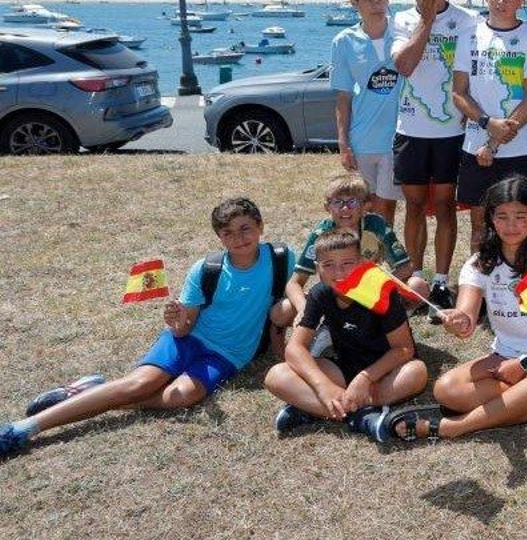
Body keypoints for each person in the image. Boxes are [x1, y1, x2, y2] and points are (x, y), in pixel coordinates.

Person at [1, 198, 295, 458]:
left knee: (180, 397)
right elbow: (183, 329)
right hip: (190, 339)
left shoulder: (281, 257)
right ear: (219, 237)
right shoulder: (207, 269)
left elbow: (288, 299)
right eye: (227, 233)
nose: (238, 238)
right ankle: (23, 428)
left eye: (245, 228)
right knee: (140, 385)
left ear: (260, 226)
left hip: (229, 354)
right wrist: (176, 322)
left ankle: (90, 393)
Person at [380, 176, 527, 442]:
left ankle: (452, 427)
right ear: (490, 218)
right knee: (446, 390)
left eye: (520, 217)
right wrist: (457, 321)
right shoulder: (479, 263)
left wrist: (524, 363)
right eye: (502, 216)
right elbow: (465, 317)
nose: (511, 226)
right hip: (504, 357)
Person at [266, 230, 428, 437]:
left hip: (386, 372)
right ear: (317, 268)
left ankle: (314, 408)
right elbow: (295, 348)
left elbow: (404, 349)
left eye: (347, 263)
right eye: (328, 265)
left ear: (361, 263)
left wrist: (364, 378)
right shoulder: (319, 293)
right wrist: (323, 387)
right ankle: (359, 416)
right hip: (343, 370)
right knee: (276, 375)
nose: (338, 272)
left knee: (416, 372)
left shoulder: (381, 292)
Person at [392, 0, 476, 313]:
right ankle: (416, 280)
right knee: (413, 205)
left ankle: (441, 281)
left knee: (444, 205)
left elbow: (474, 73)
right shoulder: (401, 19)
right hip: (411, 127)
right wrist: (426, 21)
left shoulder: (466, 21)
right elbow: (405, 66)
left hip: (451, 130)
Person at [451, 0, 527, 247]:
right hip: (475, 144)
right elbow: (458, 92)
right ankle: (479, 274)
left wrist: (494, 142)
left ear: (521, 0)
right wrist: (487, 123)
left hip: (520, 149)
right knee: (480, 225)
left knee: (523, 225)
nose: (501, 2)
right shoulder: (468, 36)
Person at [284, 173, 429, 318]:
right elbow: (293, 283)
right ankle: (329, 323)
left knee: (418, 286)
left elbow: (405, 267)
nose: (345, 208)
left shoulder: (376, 225)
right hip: (335, 293)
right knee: (282, 311)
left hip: (370, 289)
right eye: (338, 202)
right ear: (327, 207)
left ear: (365, 206)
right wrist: (303, 309)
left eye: (352, 202)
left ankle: (394, 319)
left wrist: (377, 284)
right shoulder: (321, 233)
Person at [331, 0, 403, 224]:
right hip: (362, 139)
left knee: (386, 210)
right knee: (364, 208)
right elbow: (343, 97)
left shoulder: (403, 33)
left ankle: (383, 250)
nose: (377, 5)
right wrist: (343, 143)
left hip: (397, 139)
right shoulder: (344, 41)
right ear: (354, 1)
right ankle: (364, 251)